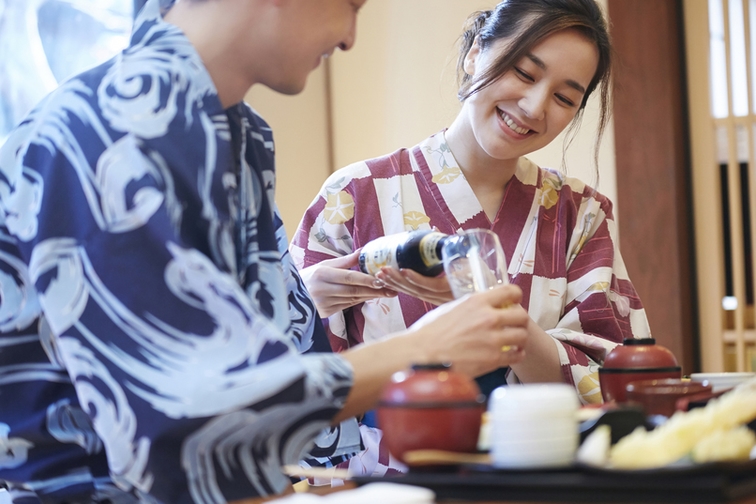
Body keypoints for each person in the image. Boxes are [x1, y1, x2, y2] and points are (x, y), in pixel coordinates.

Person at [0, 0, 530, 502]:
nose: (349, 39)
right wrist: (421, 350)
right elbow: (181, 421)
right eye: (351, 6)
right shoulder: (105, 132)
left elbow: (261, 373)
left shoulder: (242, 138)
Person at [291, 0, 652, 477]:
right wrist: (306, 299)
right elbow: (279, 387)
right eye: (524, 73)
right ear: (475, 52)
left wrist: (513, 329)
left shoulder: (581, 214)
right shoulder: (355, 196)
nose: (534, 107)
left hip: (541, 482)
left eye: (565, 98)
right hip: (389, 483)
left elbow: (622, 383)